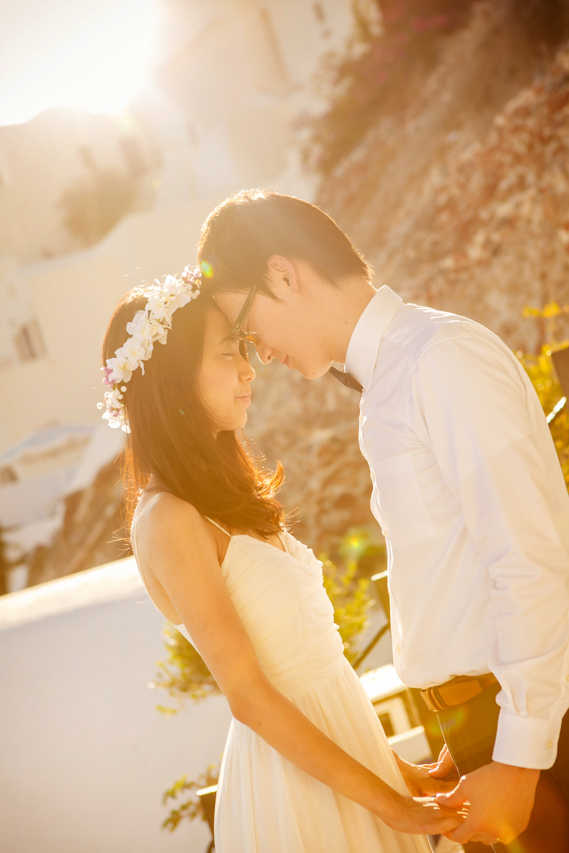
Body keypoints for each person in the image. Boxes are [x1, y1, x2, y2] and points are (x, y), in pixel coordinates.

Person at [196, 189, 569, 851]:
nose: (256, 353)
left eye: (247, 327)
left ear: (283, 274)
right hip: (480, 725)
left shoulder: (438, 358)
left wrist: (518, 758)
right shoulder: (390, 379)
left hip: (521, 733)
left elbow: (530, 556)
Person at [99, 268, 462, 853]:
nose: (249, 367)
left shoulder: (221, 497)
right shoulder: (168, 519)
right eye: (227, 353)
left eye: (245, 349)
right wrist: (392, 805)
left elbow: (317, 677)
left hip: (348, 769)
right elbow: (250, 697)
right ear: (171, 381)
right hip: (296, 797)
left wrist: (397, 771)